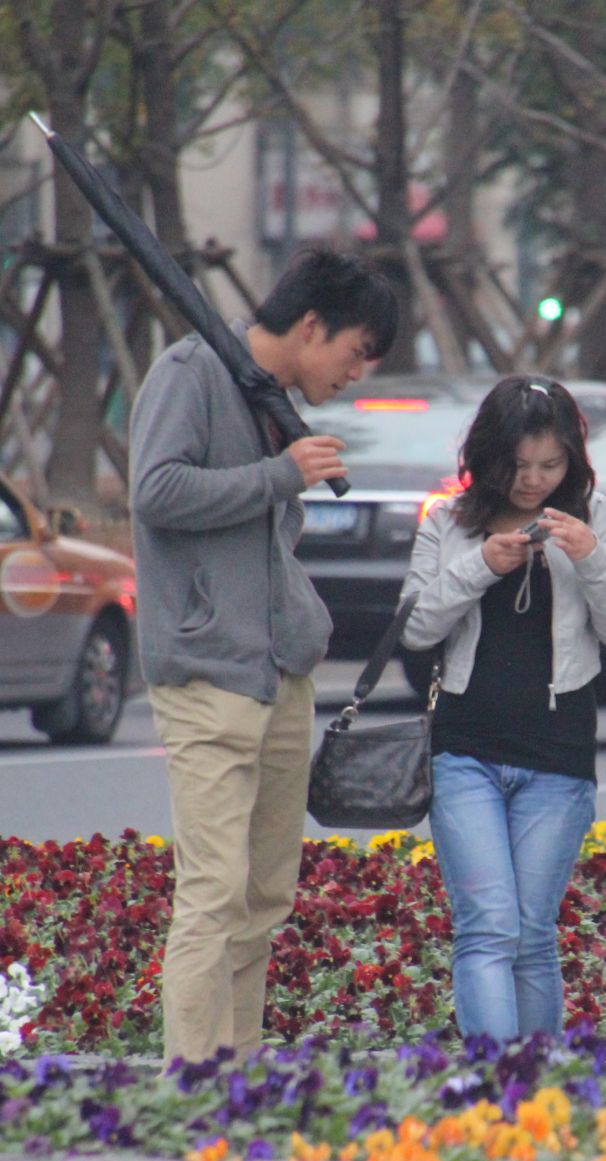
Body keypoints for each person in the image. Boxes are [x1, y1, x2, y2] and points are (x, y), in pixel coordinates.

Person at [129, 248, 398, 1067]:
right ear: (311, 325)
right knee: (211, 892)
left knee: (264, 894)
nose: (354, 374)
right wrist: (278, 475)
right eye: (354, 353)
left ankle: (238, 1067)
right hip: (209, 670)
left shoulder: (268, 395)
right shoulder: (191, 372)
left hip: (281, 671)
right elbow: (156, 492)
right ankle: (190, 1080)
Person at [399, 375, 606, 1040]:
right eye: (518, 465)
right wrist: (481, 564)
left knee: (531, 931)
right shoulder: (448, 523)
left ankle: (534, 1091)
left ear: (573, 459)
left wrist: (589, 556)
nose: (533, 480)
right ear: (486, 457)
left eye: (550, 464)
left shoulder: (598, 514)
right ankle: (494, 1082)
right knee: (488, 925)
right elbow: (414, 629)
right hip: (463, 751)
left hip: (557, 756)